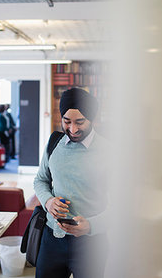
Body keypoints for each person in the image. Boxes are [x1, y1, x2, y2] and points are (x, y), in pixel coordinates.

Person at [33, 88, 108, 278]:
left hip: (91, 245)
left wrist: (90, 225)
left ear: (92, 118)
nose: (73, 129)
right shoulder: (54, 142)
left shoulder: (110, 152)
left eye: (80, 122)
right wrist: (48, 201)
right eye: (67, 121)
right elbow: (41, 180)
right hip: (52, 239)